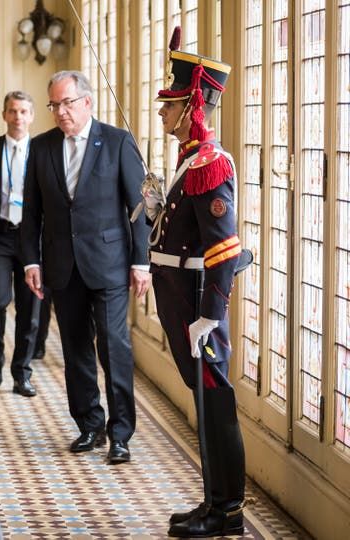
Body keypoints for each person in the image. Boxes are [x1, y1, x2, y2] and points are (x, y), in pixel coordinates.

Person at [22, 71, 150, 464]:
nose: (61, 112)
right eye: (54, 105)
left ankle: (121, 433)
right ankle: (90, 425)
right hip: (62, 265)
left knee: (113, 348)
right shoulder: (41, 147)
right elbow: (31, 211)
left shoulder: (116, 141)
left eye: (67, 103)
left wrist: (141, 261)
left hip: (110, 264)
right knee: (75, 350)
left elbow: (139, 208)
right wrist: (31, 259)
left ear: (87, 102)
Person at [148, 38, 246, 538]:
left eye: (171, 102)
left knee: (214, 402)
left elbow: (223, 248)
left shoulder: (209, 162)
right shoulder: (190, 159)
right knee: (203, 402)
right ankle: (213, 501)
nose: (163, 110)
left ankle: (226, 509)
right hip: (180, 293)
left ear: (192, 106)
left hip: (195, 300)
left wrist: (208, 315)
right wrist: (153, 208)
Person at [0, 91, 51, 397]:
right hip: (0, 237)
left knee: (31, 307)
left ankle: (22, 372)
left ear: (31, 116)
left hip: (33, 239)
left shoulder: (43, 151)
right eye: (13, 111)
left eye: (24, 112)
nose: (18, 117)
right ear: (4, 115)